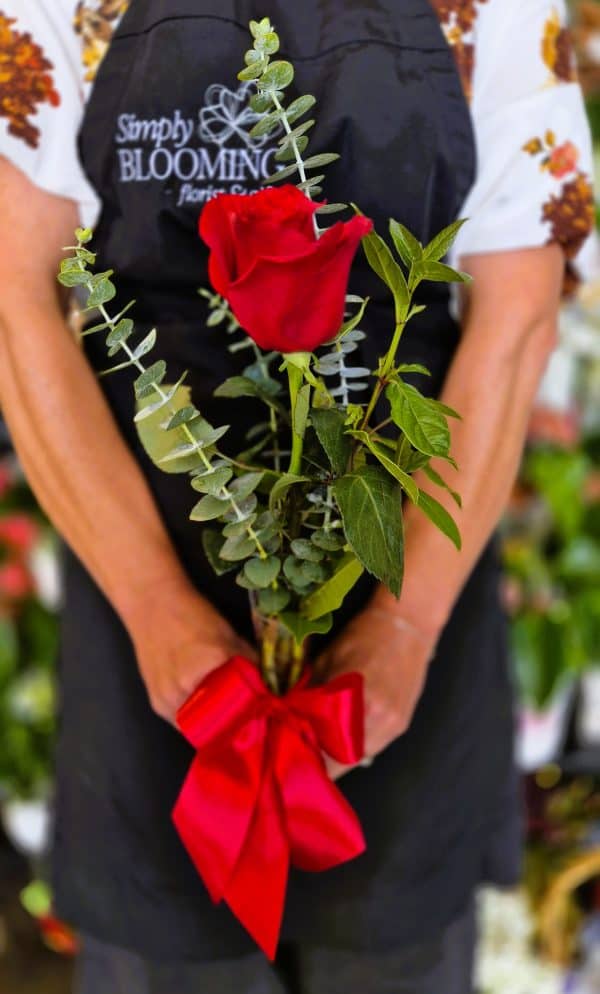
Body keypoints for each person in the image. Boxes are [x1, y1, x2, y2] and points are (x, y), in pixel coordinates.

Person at [0, 1, 595, 992]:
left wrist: (403, 632)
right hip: (146, 593)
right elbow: (16, 296)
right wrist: (157, 610)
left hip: (410, 582)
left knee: (396, 947)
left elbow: (519, 302)